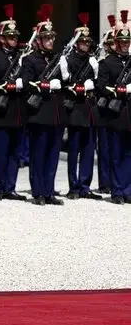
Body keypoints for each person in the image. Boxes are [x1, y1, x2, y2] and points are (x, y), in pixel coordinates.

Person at [20, 4, 65, 205]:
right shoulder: (29, 60)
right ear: (38, 41)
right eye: (47, 38)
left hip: (55, 113)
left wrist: (65, 76)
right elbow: (28, 84)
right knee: (38, 154)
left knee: (53, 154)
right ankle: (38, 191)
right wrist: (46, 86)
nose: (50, 41)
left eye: (52, 37)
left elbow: (67, 84)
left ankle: (49, 190)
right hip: (39, 113)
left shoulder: (57, 59)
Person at [0, 4, 27, 201]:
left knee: (15, 153)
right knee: (1, 152)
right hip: (2, 111)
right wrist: (10, 86)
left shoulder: (21, 58)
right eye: (10, 37)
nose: (14, 40)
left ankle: (11, 187)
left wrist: (21, 84)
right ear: (2, 39)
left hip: (17, 110)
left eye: (15, 37)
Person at [63, 13, 101, 200]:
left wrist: (94, 81)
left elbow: (99, 83)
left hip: (89, 108)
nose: (86, 44)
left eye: (87, 42)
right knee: (74, 148)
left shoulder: (92, 61)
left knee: (88, 148)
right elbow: (65, 83)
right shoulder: (69, 60)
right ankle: (73, 185)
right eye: (82, 41)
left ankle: (85, 185)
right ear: (76, 43)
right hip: (75, 107)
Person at [96, 10, 131, 204]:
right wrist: (121, 90)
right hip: (116, 113)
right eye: (122, 42)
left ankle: (128, 188)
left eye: (127, 42)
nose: (125, 45)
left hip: (129, 113)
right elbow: (102, 87)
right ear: (116, 42)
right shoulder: (107, 63)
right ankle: (117, 191)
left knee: (129, 153)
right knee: (116, 154)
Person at [95, 15, 116, 195]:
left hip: (119, 109)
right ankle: (105, 181)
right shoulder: (101, 63)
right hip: (104, 107)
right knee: (105, 147)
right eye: (111, 44)